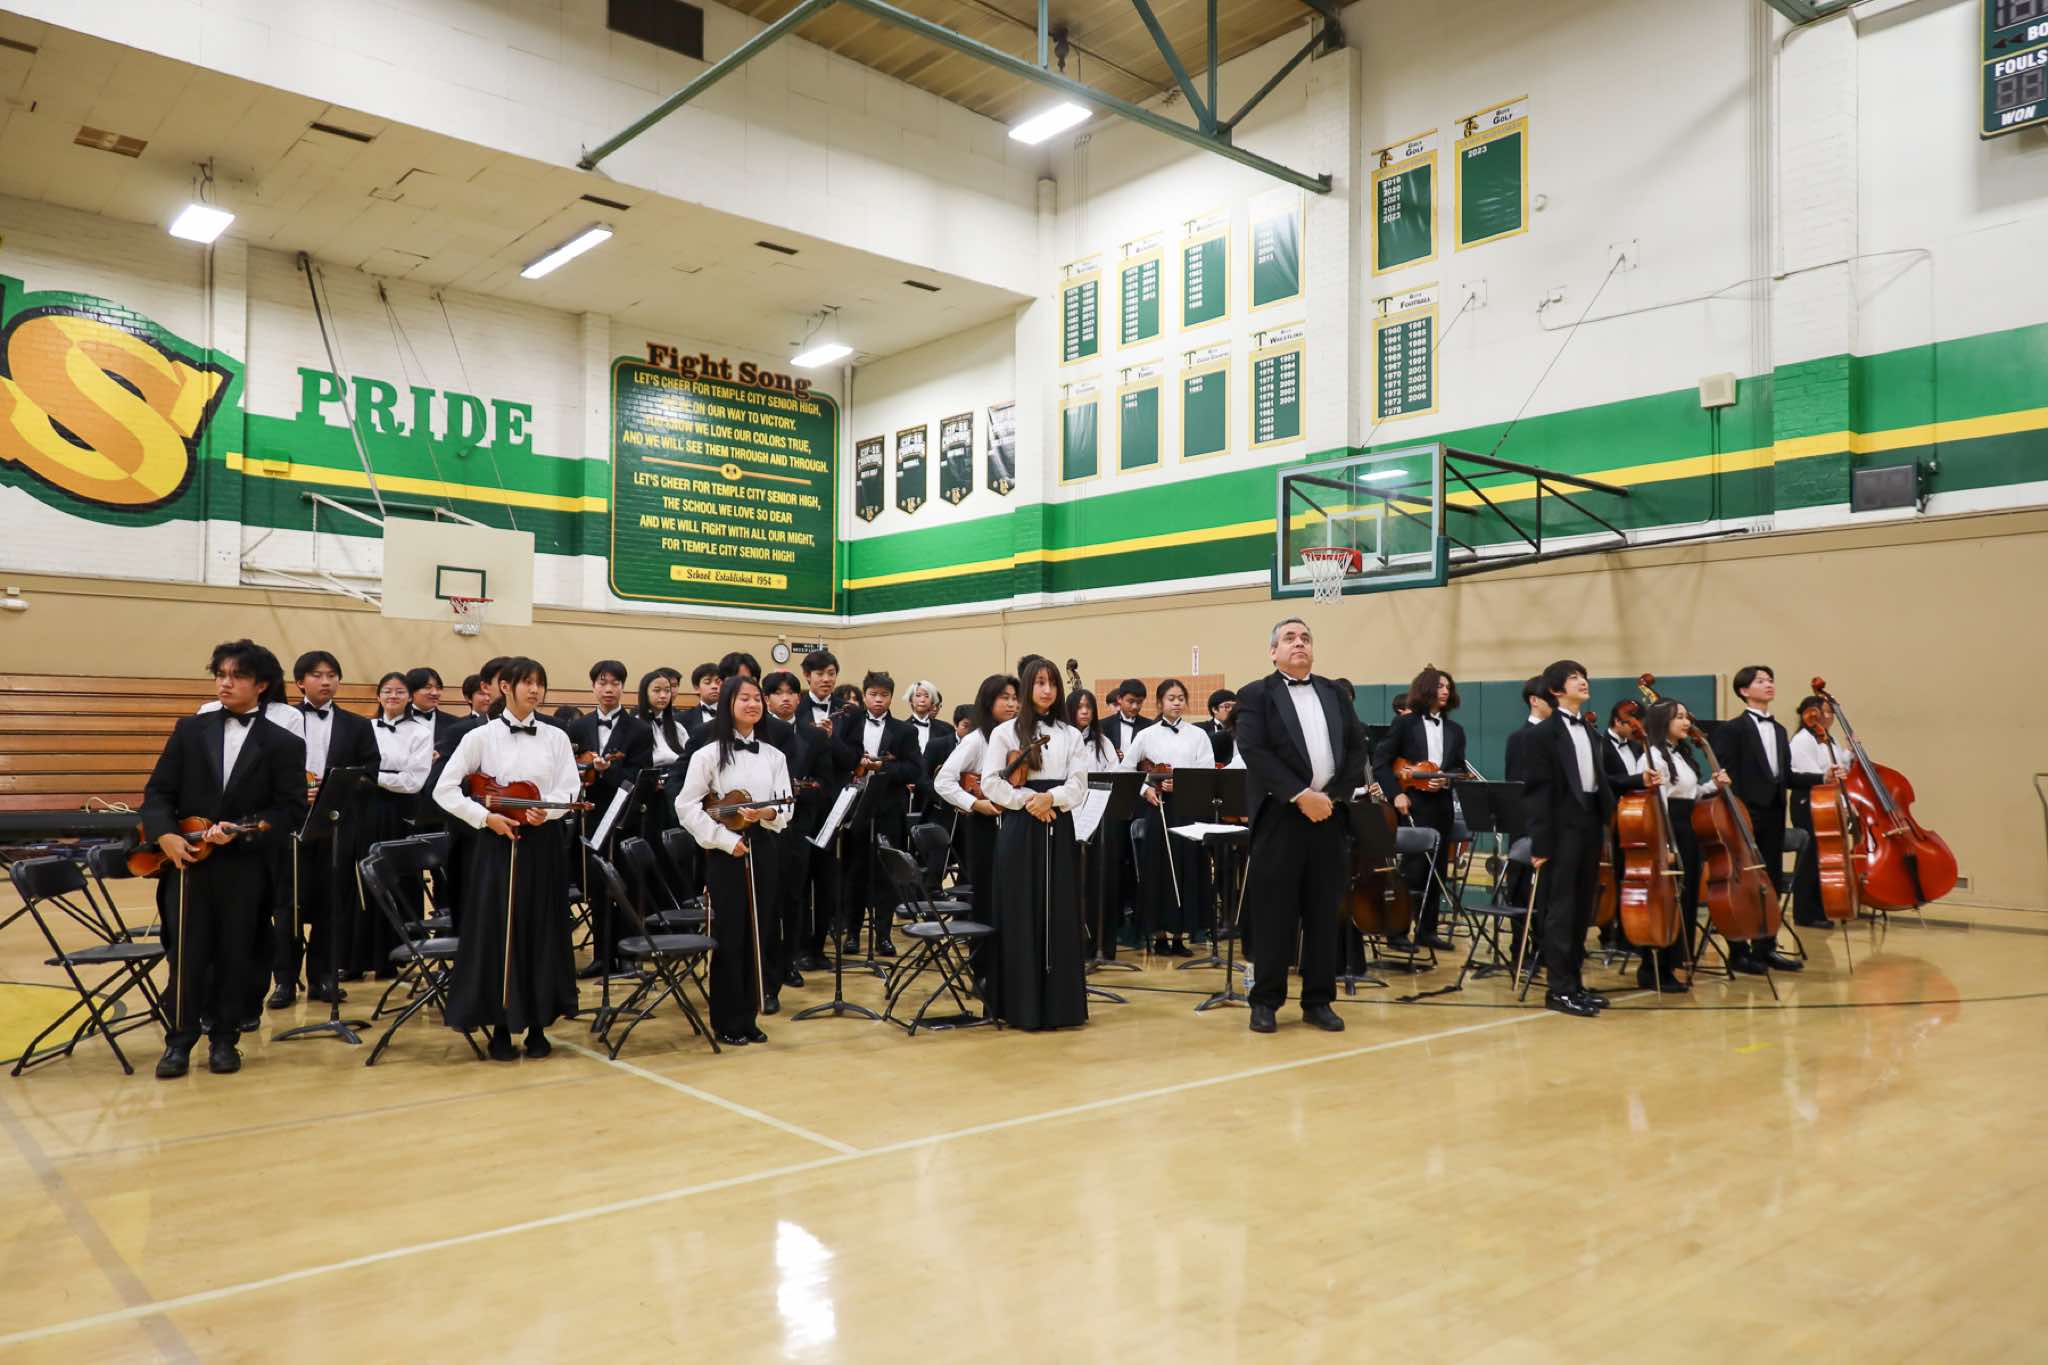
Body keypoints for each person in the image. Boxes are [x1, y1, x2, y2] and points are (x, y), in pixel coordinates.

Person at [142, 640, 306, 1077]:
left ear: (261, 685)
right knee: (187, 954)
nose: (225, 684)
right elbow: (158, 793)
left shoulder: (284, 743)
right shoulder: (189, 730)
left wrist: (243, 829)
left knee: (238, 953)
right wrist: (164, 834)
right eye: (220, 675)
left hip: (244, 866)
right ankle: (178, 1042)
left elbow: (289, 810)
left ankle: (225, 1039)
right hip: (188, 861)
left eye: (237, 676)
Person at [433, 657, 581, 1061]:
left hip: (543, 844)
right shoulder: (480, 737)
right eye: (526, 682)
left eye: (540, 683)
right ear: (504, 687)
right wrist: (485, 818)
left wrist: (547, 812)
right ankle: (499, 1025)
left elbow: (570, 788)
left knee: (541, 929)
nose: (535, 690)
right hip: (497, 843)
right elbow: (445, 790)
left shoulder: (556, 736)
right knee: (498, 932)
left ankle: (538, 1025)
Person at [1232, 618, 1369, 1034]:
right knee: (1275, 913)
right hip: (1281, 816)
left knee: (1324, 912)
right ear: (1273, 652)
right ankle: (1265, 1001)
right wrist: (1299, 795)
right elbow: (1254, 751)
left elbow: (1357, 748)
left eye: (1306, 638)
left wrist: (1332, 797)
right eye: (1289, 638)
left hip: (1329, 815)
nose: (1299, 643)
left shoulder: (1334, 692)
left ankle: (1318, 1000)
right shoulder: (1255, 695)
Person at [676, 675, 791, 1046]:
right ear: (728, 704)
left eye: (757, 698)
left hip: (764, 846)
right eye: (744, 698)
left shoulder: (774, 756)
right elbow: (686, 806)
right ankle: (726, 1019)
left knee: (760, 930)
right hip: (726, 851)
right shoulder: (707, 754)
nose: (753, 704)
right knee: (730, 933)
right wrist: (725, 841)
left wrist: (768, 814)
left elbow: (786, 807)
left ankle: (750, 1016)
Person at [981, 658, 1091, 1030]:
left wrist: (1052, 799)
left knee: (1059, 909)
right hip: (1020, 825)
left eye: (1052, 683)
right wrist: (1030, 800)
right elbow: (991, 783)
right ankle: (1019, 1006)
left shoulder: (1070, 734)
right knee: (1019, 909)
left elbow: (1078, 784)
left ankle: (1061, 1008)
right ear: (1028, 687)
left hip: (1058, 821)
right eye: (1040, 683)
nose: (1047, 690)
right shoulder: (1005, 732)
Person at [1713, 666, 1836, 974]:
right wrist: (1737, 812)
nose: (1768, 685)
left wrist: (1822, 777)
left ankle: (1766, 948)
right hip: (1744, 815)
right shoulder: (1732, 729)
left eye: (1770, 680)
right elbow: (1727, 777)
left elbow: (1787, 777)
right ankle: (1739, 952)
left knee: (1770, 883)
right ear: (1744, 691)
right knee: (1742, 885)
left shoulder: (1780, 730)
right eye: (1760, 681)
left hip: (1774, 815)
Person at [278, 650, 379, 1005]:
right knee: (287, 905)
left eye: (332, 675)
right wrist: (296, 792)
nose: (326, 681)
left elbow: (371, 773)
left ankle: (323, 977)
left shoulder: (358, 725)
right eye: (317, 675)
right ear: (299, 682)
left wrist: (335, 789)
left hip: (337, 825)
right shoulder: (282, 720)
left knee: (332, 904)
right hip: (291, 824)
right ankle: (284, 980)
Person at [1519, 660, 1615, 1018]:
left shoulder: (1590, 731)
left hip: (1589, 824)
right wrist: (1541, 843)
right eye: (1574, 678)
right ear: (1556, 690)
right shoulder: (1541, 734)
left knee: (1581, 910)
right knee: (1560, 912)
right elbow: (1537, 794)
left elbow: (1598, 781)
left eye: (1584, 676)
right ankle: (1558, 990)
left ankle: (1575, 984)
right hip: (1560, 830)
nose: (1583, 682)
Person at [761, 670, 847, 1005]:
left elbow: (826, 783)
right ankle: (765, 966)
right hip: (761, 828)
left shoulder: (815, 736)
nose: (785, 698)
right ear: (767, 699)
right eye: (777, 693)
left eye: (791, 693)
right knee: (768, 900)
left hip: (800, 827)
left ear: (799, 698)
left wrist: (800, 793)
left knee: (794, 897)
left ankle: (789, 961)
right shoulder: (758, 732)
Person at [1372, 665, 1468, 952]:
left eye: (1448, 687)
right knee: (1413, 869)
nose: (1445, 691)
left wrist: (1447, 780)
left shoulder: (1455, 730)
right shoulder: (1405, 724)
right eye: (1439, 686)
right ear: (1425, 689)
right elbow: (1381, 762)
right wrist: (1396, 795)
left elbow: (1458, 767)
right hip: (1413, 802)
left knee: (1438, 869)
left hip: (1442, 804)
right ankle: (1397, 931)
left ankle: (1427, 930)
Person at [567, 659, 654, 977]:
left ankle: (628, 955)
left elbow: (638, 775)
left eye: (615, 683)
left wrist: (608, 771)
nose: (609, 689)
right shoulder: (578, 727)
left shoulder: (639, 729)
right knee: (597, 887)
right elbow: (570, 769)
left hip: (624, 817)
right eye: (602, 683)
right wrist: (587, 771)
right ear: (593, 686)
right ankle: (602, 956)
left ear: (622, 687)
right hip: (591, 816)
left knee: (627, 885)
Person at [1119, 678, 1213, 957]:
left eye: (1180, 698)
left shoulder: (1198, 735)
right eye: (1171, 698)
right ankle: (1159, 935)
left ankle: (1180, 936)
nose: (1176, 703)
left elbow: (1206, 772)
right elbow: (1126, 769)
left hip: (1187, 809)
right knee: (1158, 870)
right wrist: (1145, 789)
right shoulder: (1146, 735)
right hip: (1157, 808)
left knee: (1187, 869)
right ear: (1160, 703)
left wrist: (1181, 783)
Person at [1641, 698, 1730, 992]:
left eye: (1685, 716)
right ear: (1662, 722)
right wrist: (1665, 844)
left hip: (1687, 829)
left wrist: (1713, 786)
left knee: (1686, 897)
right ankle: (1655, 968)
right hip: (1670, 830)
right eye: (1678, 717)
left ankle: (1677, 961)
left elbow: (1689, 794)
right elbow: (1659, 804)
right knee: (1667, 899)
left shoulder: (1678, 754)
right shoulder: (1652, 756)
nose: (1686, 722)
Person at [830, 670, 919, 957]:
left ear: (891, 697)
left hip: (888, 809)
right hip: (854, 808)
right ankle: (852, 933)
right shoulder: (848, 724)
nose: (878, 700)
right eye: (873, 694)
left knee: (885, 875)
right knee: (854, 872)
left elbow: (915, 769)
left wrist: (884, 768)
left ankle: (883, 935)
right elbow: (838, 760)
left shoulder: (905, 731)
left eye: (884, 695)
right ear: (865, 695)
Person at [357, 671, 434, 974]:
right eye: (387, 691)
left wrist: (373, 776)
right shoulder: (365, 728)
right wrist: (381, 777)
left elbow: (413, 782)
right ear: (378, 695)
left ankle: (398, 954)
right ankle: (360, 958)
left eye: (400, 692)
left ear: (409, 697)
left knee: (398, 879)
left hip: (400, 813)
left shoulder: (420, 733)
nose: (393, 696)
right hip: (365, 810)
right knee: (365, 880)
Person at [937, 675, 1018, 917]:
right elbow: (943, 781)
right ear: (988, 701)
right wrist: (974, 803)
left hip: (1013, 821)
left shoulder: (1018, 736)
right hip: (984, 823)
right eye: (1004, 698)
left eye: (1015, 698)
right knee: (986, 890)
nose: (1012, 704)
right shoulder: (975, 740)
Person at [1788, 694, 1844, 928]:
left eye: (1831, 712)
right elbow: (1811, 773)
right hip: (1809, 800)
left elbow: (1841, 766)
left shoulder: (1829, 739)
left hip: (1826, 800)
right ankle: (1804, 913)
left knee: (1822, 856)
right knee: (1809, 856)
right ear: (1812, 714)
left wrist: (1852, 753)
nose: (1830, 716)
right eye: (1826, 711)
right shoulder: (1802, 740)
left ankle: (1822, 908)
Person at [1199, 688, 1237, 766]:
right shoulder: (1200, 729)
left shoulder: (1242, 730)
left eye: (1234, 707)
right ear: (1214, 709)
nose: (1231, 710)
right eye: (1227, 706)